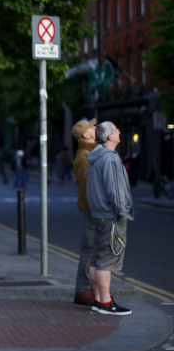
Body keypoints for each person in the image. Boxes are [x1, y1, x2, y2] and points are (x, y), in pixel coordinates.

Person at [85, 121, 134, 316]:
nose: (120, 131)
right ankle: (106, 302)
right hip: (110, 216)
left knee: (96, 257)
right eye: (117, 130)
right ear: (111, 137)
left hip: (97, 214)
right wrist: (122, 213)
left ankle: (98, 299)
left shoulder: (94, 157)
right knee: (107, 259)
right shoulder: (110, 158)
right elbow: (116, 190)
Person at [71, 118, 97, 306]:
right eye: (92, 127)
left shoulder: (92, 153)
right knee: (89, 249)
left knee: (94, 249)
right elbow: (88, 186)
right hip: (90, 208)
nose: (95, 127)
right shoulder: (84, 157)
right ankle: (82, 290)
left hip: (91, 207)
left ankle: (93, 288)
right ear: (86, 135)